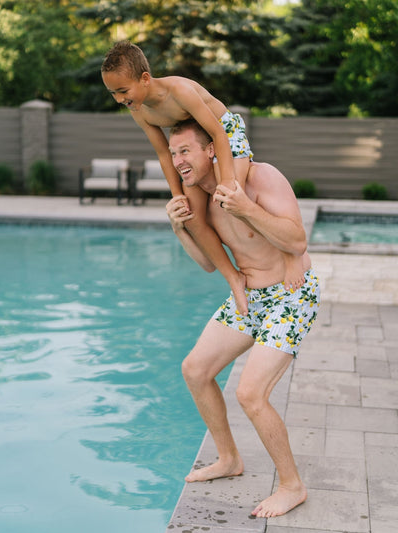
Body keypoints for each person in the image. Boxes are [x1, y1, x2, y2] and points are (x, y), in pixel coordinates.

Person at [165, 119, 320, 518]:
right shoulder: (199, 196)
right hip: (249, 296)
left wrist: (246, 208)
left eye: (185, 150)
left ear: (210, 150)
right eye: (173, 152)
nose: (178, 160)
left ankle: (291, 485)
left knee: (250, 393)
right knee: (195, 369)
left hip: (291, 293)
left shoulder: (262, 177)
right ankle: (228, 458)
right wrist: (180, 229)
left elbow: (297, 239)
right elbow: (207, 265)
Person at [101, 41, 305, 317]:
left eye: (122, 91)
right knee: (191, 215)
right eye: (113, 92)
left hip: (226, 135)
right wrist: (178, 195)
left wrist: (228, 182)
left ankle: (291, 256)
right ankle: (234, 277)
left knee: (233, 200)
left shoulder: (180, 91)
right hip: (204, 145)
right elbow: (163, 153)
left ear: (145, 79)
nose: (118, 99)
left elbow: (219, 134)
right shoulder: (139, 110)